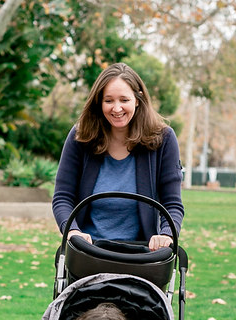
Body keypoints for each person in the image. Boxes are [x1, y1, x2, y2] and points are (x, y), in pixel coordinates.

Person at [53, 63, 183, 252]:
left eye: (124, 100)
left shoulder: (163, 139)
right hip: (88, 251)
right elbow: (63, 196)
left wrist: (166, 234)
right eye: (108, 101)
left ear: (137, 99)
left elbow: (172, 203)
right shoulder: (81, 137)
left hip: (141, 254)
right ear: (99, 102)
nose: (117, 108)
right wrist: (72, 231)